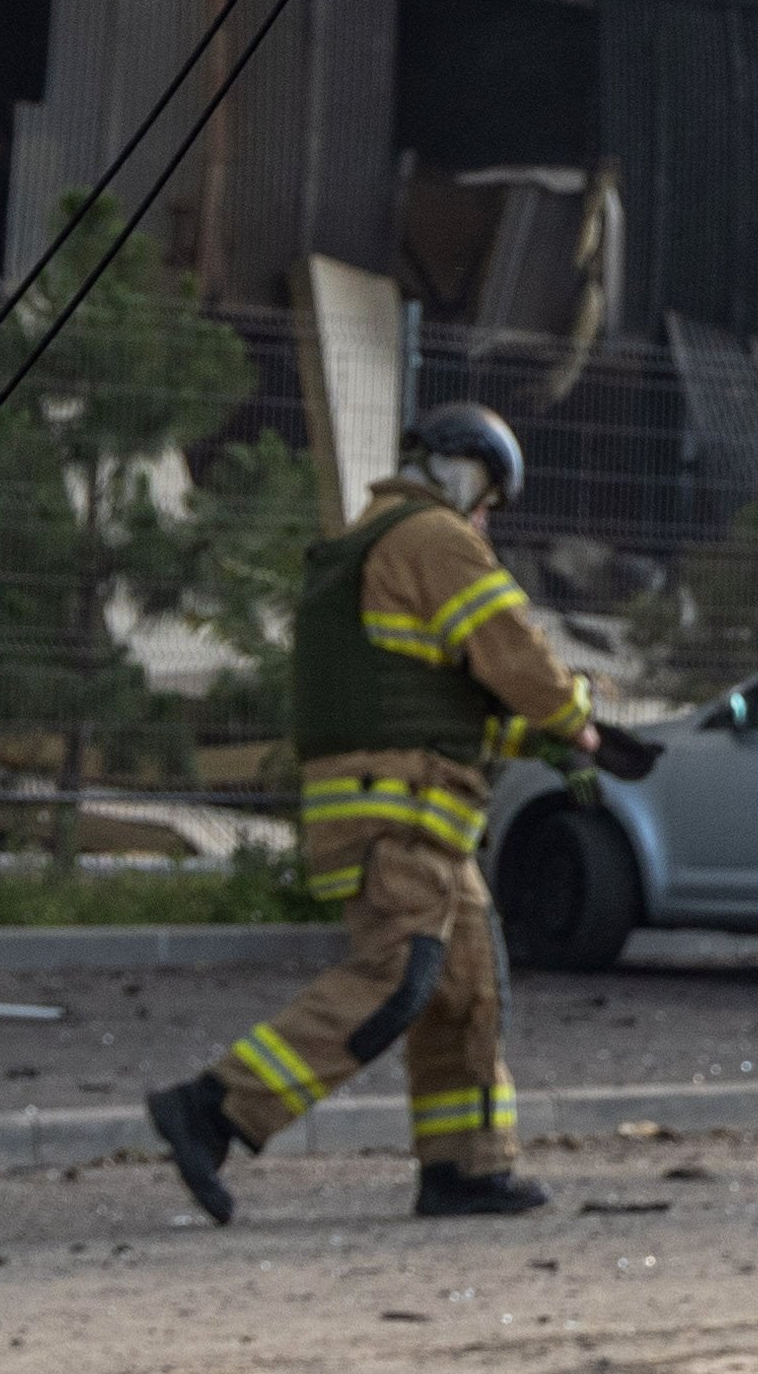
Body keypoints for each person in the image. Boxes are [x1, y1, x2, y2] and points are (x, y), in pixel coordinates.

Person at [146, 403, 592, 1224]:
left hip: (416, 806)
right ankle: (214, 1108)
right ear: (460, 471)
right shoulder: (432, 538)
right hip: (402, 809)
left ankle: (465, 1168)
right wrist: (577, 717)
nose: (487, 513)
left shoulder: (369, 542)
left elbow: (436, 692)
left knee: (465, 992)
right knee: (397, 979)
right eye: (489, 492)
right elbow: (514, 652)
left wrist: (542, 739)